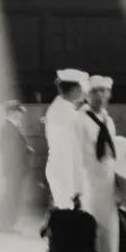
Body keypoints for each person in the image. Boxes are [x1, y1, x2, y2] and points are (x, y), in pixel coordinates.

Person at [78, 74, 121, 252]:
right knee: (91, 226)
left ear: (109, 94)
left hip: (108, 180)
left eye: (103, 91)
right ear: (86, 95)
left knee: (110, 227)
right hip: (89, 179)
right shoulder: (80, 119)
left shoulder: (108, 120)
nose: (99, 95)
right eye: (94, 91)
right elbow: (76, 153)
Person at [43, 68, 89, 212]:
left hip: (62, 169)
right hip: (65, 171)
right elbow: (73, 150)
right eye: (83, 89)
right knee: (66, 217)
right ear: (75, 89)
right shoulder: (66, 112)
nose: (85, 93)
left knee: (66, 217)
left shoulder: (61, 108)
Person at [0, 101, 33, 233]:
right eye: (19, 112)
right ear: (11, 112)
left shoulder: (14, 126)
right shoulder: (7, 127)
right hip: (13, 169)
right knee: (11, 197)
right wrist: (26, 150)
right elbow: (8, 150)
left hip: (16, 169)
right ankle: (6, 225)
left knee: (13, 196)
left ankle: (9, 224)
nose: (21, 115)